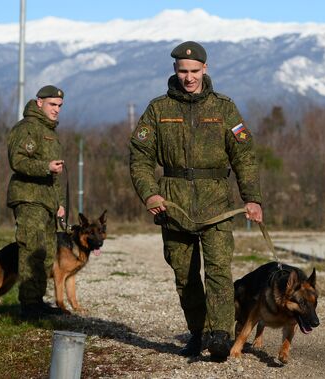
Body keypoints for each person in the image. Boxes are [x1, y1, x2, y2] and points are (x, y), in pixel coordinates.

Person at [129, 41, 263, 359]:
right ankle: (197, 332)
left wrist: (253, 198)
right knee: (184, 275)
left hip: (216, 203)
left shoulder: (224, 108)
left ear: (205, 68)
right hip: (173, 204)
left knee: (218, 270)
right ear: (175, 71)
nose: (189, 77)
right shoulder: (158, 109)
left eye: (194, 71)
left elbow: (244, 155)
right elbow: (139, 156)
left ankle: (219, 335)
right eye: (182, 71)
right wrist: (149, 192)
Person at [7, 85, 66, 320]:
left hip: (46, 200)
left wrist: (60, 203)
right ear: (39, 102)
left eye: (60, 106)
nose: (57, 110)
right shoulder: (27, 128)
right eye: (53, 104)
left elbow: (56, 174)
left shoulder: (49, 132)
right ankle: (28, 305)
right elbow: (17, 160)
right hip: (29, 197)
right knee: (31, 248)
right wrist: (45, 167)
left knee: (46, 252)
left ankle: (37, 300)